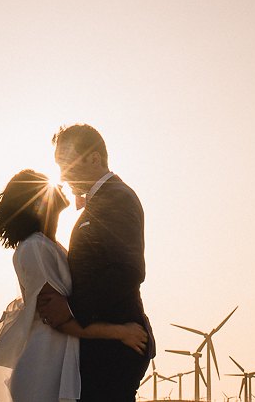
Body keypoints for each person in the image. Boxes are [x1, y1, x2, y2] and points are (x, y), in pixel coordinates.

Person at [0, 169, 149, 402]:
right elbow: (59, 319)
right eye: (46, 184)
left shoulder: (48, 245)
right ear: (37, 202)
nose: (58, 184)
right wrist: (120, 332)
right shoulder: (34, 248)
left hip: (58, 362)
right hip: (44, 369)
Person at [37, 124, 155, 402]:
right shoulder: (103, 200)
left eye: (66, 163)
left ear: (94, 158)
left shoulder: (117, 198)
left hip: (115, 342)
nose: (62, 175)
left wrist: (71, 313)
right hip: (106, 339)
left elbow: (127, 271)